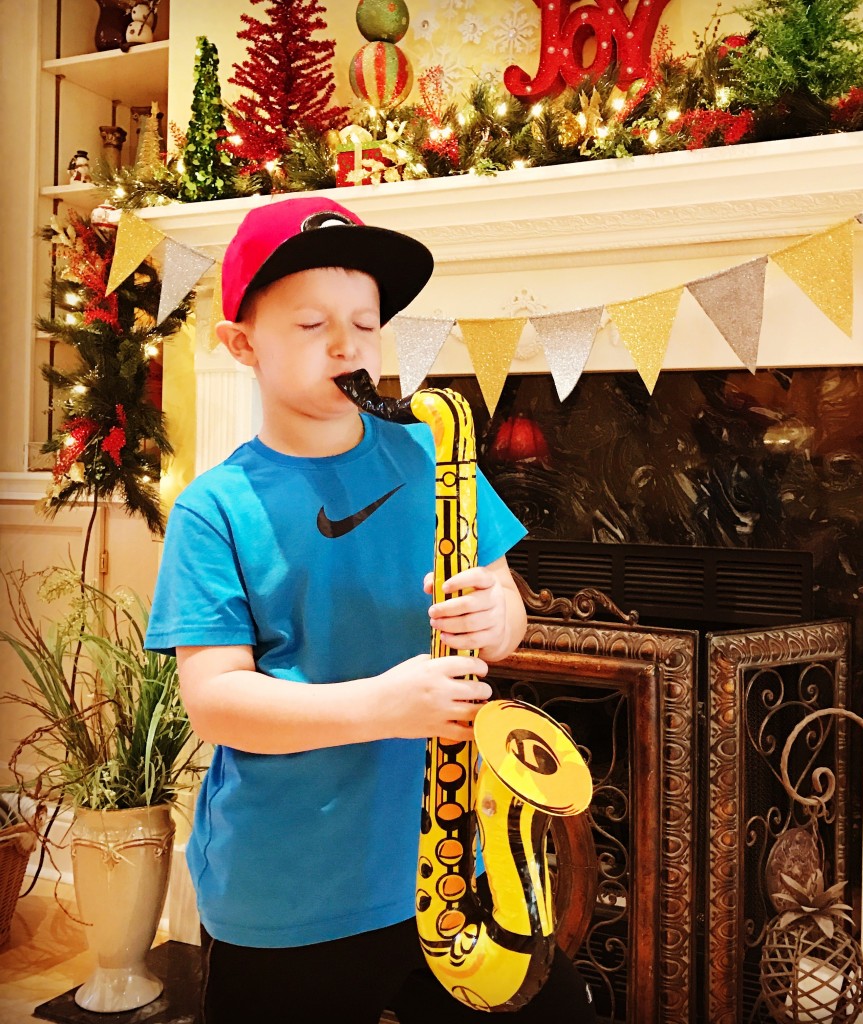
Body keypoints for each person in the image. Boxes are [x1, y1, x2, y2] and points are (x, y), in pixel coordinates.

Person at [145, 197, 596, 1024]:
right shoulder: (213, 508)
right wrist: (388, 707)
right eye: (313, 324)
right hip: (290, 892)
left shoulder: (432, 449)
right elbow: (215, 703)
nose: (349, 344)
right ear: (241, 345)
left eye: (367, 321)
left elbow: (509, 604)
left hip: (459, 860)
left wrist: (500, 618)